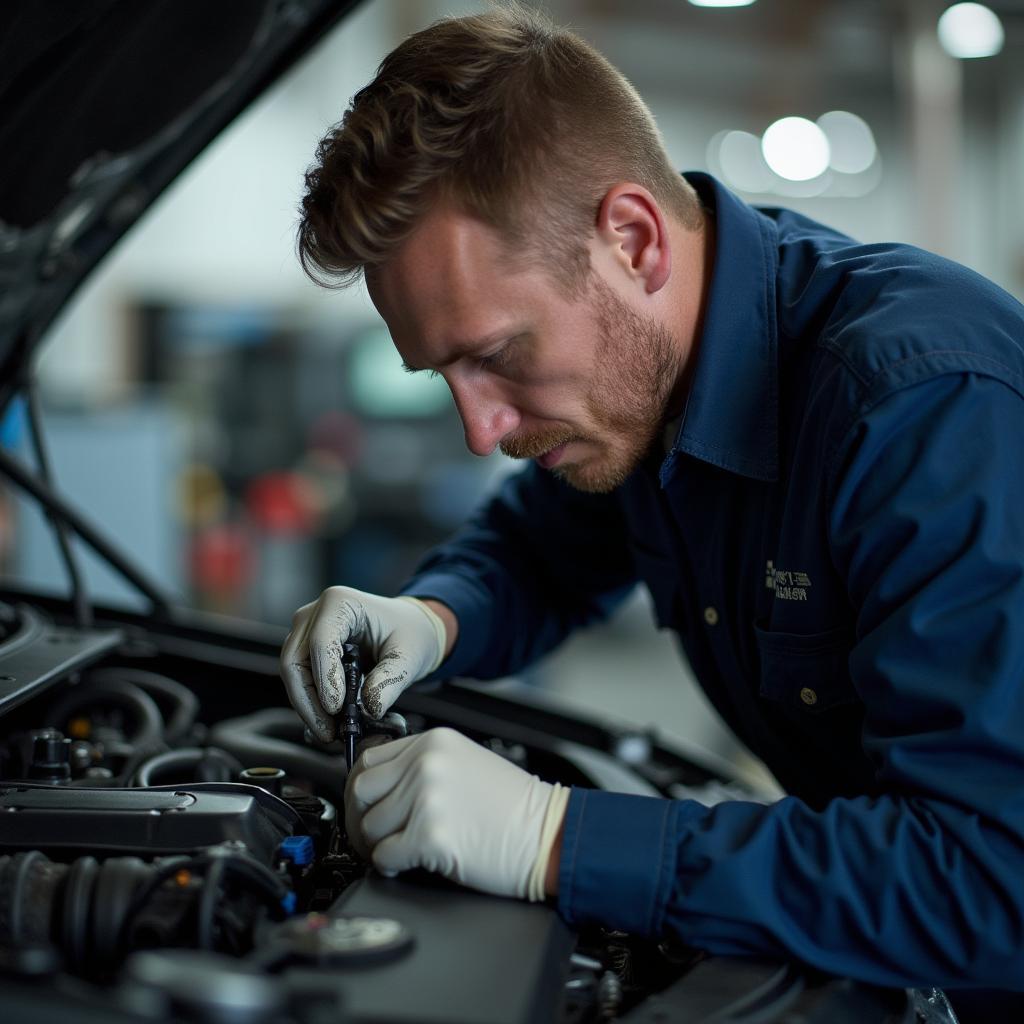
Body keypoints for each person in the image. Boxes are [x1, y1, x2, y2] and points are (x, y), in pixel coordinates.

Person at [279, 4, 1024, 1014]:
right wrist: (431, 616)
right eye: (440, 373)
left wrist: (556, 838)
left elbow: (989, 877)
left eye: (496, 355)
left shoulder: (923, 408)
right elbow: (542, 549)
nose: (479, 429)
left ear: (631, 240)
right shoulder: (641, 388)